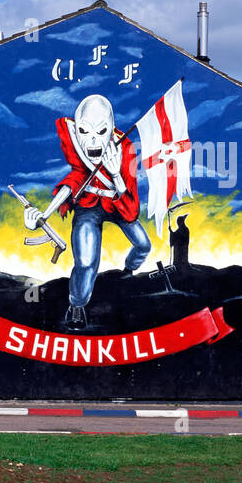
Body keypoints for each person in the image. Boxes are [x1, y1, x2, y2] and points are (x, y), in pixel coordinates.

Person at [23, 94, 151, 328]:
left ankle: (127, 271)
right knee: (86, 261)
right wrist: (44, 214)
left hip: (119, 203)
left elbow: (131, 210)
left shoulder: (125, 149)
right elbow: (75, 180)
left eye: (100, 132)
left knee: (144, 245)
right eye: (85, 132)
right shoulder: (74, 145)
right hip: (89, 206)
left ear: (111, 129)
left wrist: (114, 175)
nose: (92, 140)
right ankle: (77, 304)